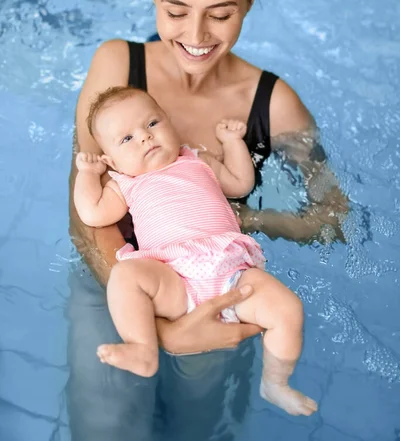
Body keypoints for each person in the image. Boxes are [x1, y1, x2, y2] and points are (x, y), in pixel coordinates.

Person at [68, 0, 347, 441]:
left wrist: (246, 217)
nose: (195, 37)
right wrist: (164, 331)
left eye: (221, 15)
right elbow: (84, 215)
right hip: (114, 275)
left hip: (222, 278)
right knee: (105, 429)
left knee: (198, 429)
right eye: (175, 12)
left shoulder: (273, 105)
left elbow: (333, 217)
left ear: (250, 0)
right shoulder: (117, 67)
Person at [74, 86, 318, 416]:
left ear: (170, 123)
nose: (145, 138)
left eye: (151, 124)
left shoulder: (197, 160)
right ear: (111, 161)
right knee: (126, 274)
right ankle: (143, 350)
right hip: (174, 279)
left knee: (288, 309)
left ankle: (276, 383)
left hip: (232, 272)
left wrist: (232, 144)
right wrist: (89, 175)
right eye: (127, 139)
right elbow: (92, 213)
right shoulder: (125, 183)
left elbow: (240, 183)